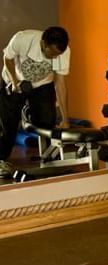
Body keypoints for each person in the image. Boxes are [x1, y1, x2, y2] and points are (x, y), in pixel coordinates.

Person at [0, 26, 70, 178]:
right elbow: (8, 58)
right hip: (15, 80)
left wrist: (65, 119)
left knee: (46, 121)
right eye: (52, 54)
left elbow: (60, 85)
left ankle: (27, 111)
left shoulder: (63, 51)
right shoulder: (23, 38)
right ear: (44, 44)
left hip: (41, 85)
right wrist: (14, 82)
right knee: (8, 124)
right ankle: (0, 160)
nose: (54, 58)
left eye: (57, 55)